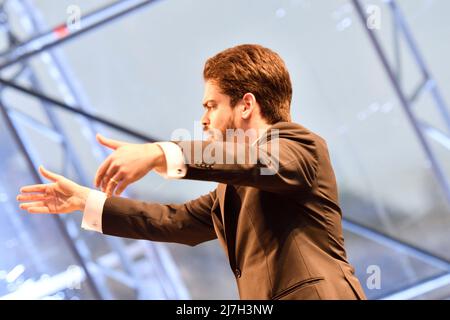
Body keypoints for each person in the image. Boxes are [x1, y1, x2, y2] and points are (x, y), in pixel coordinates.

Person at [16, 44, 366, 300]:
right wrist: (88, 202)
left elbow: (258, 163)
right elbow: (176, 221)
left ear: (246, 104)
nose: (203, 119)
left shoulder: (300, 145)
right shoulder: (232, 191)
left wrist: (160, 152)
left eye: (211, 106)